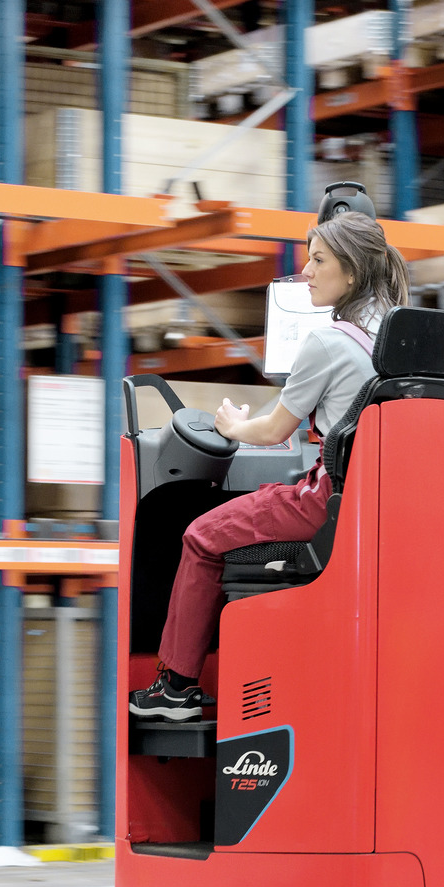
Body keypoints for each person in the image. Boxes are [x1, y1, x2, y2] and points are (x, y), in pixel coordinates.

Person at [128, 210, 411, 723]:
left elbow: (274, 431)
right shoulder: (392, 341)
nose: (306, 271)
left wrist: (232, 424)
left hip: (324, 500)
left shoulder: (327, 341)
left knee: (199, 536)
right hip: (373, 504)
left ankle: (175, 689)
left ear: (351, 273)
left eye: (318, 260)